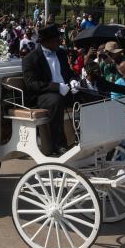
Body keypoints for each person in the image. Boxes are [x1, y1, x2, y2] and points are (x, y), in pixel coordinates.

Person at [22, 24, 77, 157]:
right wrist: (56, 87)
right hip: (42, 95)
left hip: (64, 89)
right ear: (46, 41)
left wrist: (74, 80)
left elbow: (68, 73)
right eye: (57, 40)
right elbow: (31, 84)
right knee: (55, 100)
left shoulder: (61, 53)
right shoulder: (31, 58)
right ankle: (58, 144)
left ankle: (87, 136)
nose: (60, 42)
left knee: (86, 94)